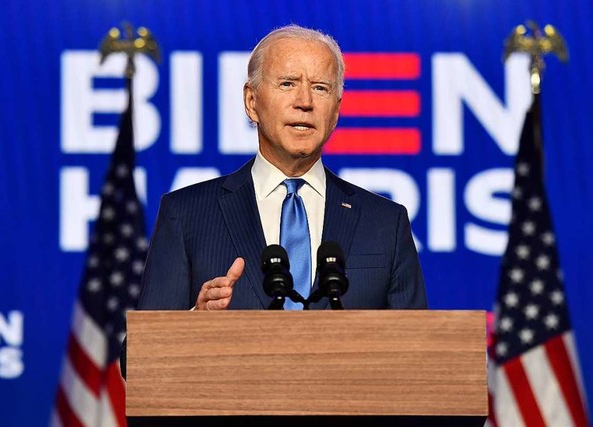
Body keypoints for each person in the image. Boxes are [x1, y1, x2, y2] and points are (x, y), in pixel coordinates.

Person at [137, 24, 427, 311]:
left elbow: (418, 350)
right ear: (252, 102)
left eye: (320, 88)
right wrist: (191, 324)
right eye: (288, 83)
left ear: (336, 111)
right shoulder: (187, 215)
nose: (305, 102)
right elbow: (139, 353)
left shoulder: (386, 223)